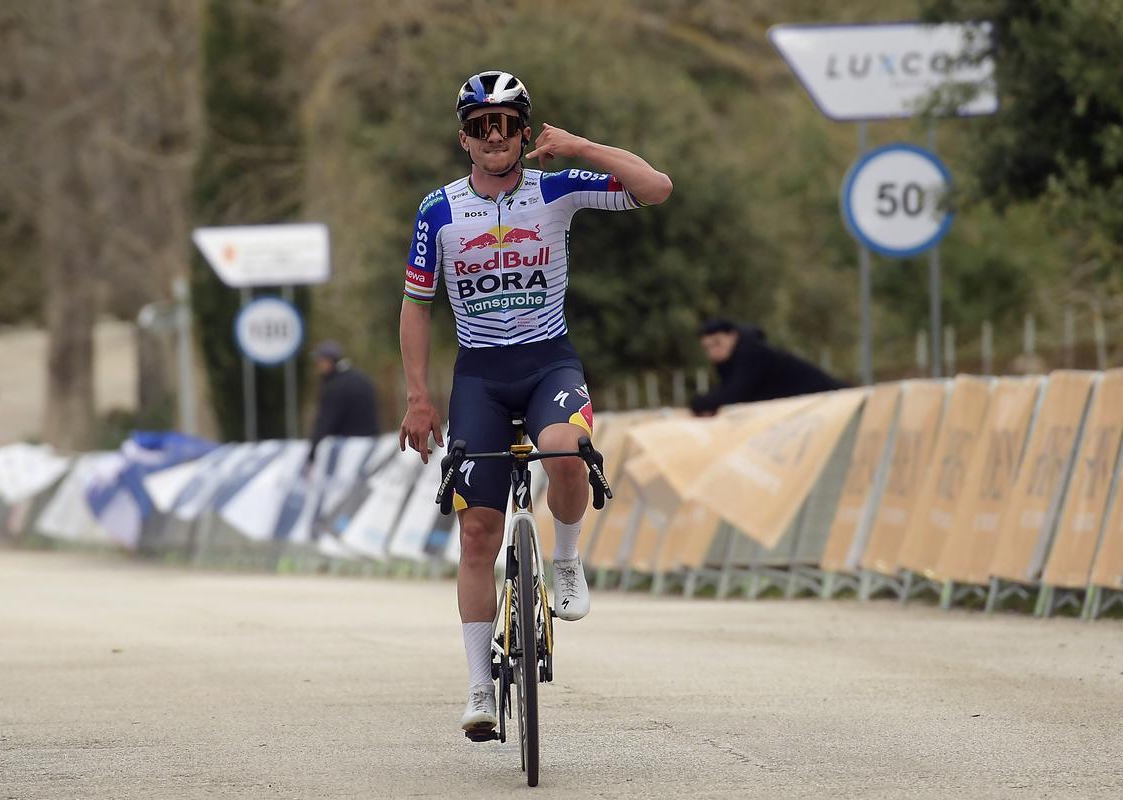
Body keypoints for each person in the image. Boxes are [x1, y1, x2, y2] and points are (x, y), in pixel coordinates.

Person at [397, 70, 672, 735]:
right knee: (477, 534)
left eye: (506, 125)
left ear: (524, 133)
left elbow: (655, 188)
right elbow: (416, 305)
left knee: (566, 452)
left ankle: (567, 560)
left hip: (549, 363)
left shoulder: (555, 189)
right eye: (479, 127)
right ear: (464, 139)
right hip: (480, 379)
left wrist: (580, 147)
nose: (493, 137)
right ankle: (478, 688)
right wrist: (418, 397)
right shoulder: (438, 210)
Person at [689, 318, 846, 415]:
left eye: (717, 343)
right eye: (707, 348)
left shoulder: (750, 352)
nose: (713, 352)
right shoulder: (730, 360)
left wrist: (699, 403)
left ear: (733, 336)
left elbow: (734, 395)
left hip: (830, 398)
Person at [306, 340, 379, 465]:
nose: (318, 366)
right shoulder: (361, 378)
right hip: (371, 447)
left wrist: (312, 453)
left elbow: (326, 422)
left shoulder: (334, 386)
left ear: (329, 361)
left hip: (346, 451)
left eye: (320, 361)